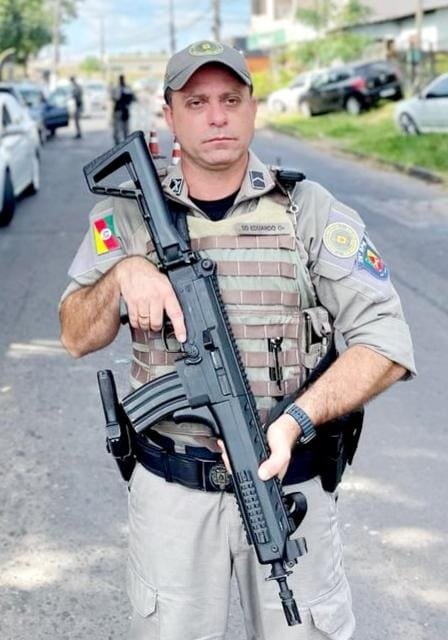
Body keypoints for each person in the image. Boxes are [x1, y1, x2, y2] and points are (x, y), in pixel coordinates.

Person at [59, 40, 415, 640]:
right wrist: (123, 273)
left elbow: (386, 343)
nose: (216, 117)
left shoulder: (305, 209)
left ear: (253, 107)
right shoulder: (128, 217)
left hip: (287, 484)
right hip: (172, 493)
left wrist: (295, 420)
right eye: (196, 102)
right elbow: (74, 334)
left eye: (230, 99)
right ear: (169, 115)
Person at [111, 74, 135, 144]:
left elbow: (132, 98)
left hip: (123, 111)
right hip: (119, 110)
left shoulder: (125, 88)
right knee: (119, 129)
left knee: (124, 129)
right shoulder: (119, 88)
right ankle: (119, 143)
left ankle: (123, 143)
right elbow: (115, 98)